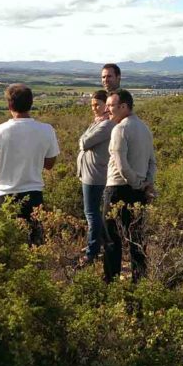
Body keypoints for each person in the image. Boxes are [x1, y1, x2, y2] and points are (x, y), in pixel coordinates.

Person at [0, 83, 60, 245]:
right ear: (31, 103)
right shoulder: (46, 130)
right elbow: (50, 164)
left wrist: (1, 166)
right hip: (34, 195)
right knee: (35, 247)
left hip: (4, 195)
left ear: (9, 104)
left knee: (4, 247)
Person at [103, 89, 156, 283]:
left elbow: (121, 164)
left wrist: (136, 184)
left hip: (118, 189)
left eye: (110, 106)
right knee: (137, 239)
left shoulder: (120, 129)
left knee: (111, 239)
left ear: (124, 107)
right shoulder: (144, 128)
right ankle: (139, 282)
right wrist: (146, 184)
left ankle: (111, 283)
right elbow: (152, 162)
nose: (107, 109)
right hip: (139, 190)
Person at [77, 89, 115, 264]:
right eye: (92, 105)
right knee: (94, 213)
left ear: (105, 105)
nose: (94, 108)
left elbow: (84, 142)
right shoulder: (99, 122)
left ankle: (92, 252)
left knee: (91, 213)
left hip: (95, 175)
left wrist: (84, 137)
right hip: (91, 173)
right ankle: (102, 243)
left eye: (97, 105)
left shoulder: (106, 125)